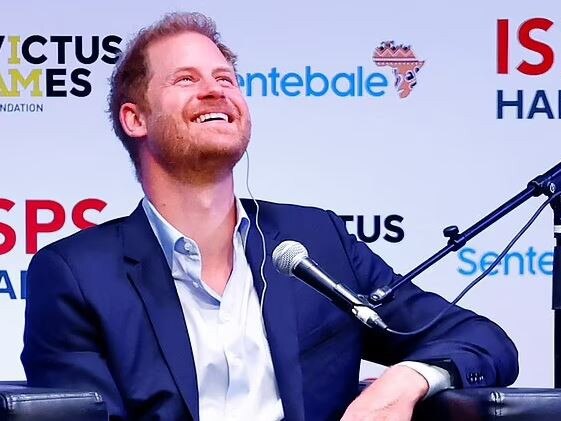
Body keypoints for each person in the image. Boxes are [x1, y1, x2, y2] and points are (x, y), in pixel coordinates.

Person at [21, 11, 518, 421]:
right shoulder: (76, 275)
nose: (215, 91)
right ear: (136, 119)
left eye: (225, 79)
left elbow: (483, 340)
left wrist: (405, 380)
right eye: (186, 80)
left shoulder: (316, 241)